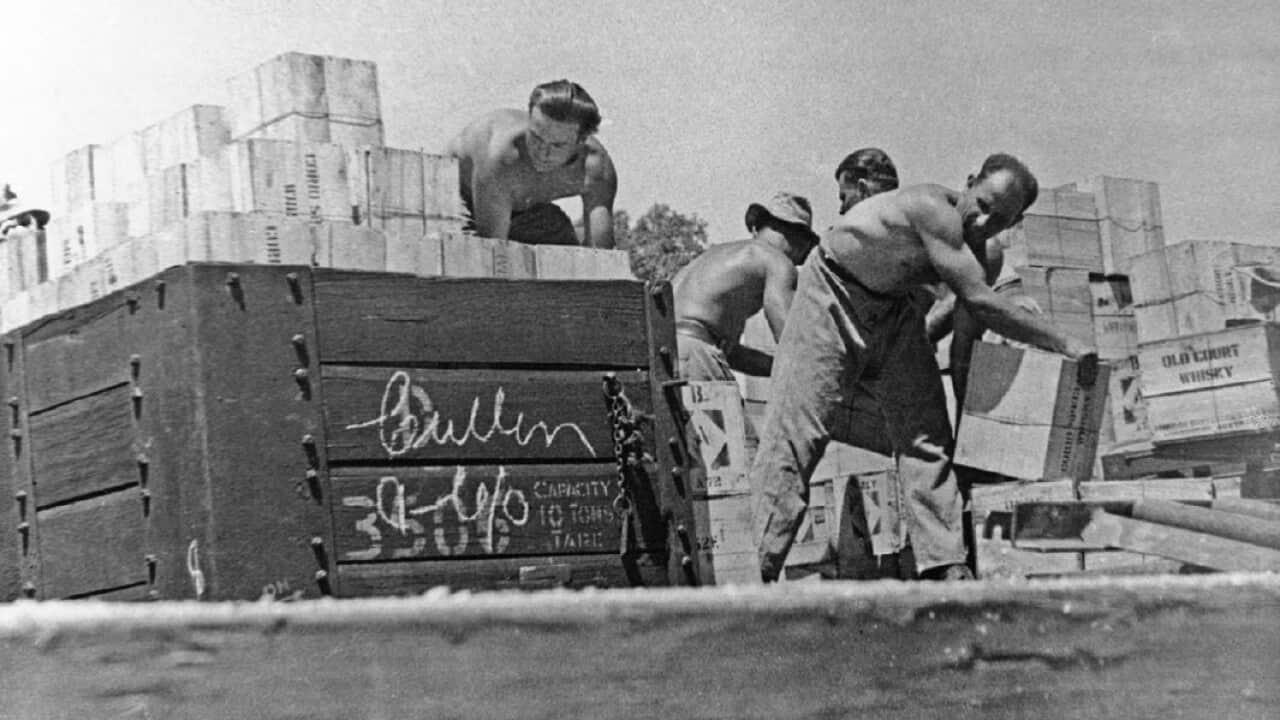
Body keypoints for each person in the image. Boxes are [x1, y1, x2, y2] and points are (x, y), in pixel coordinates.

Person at [751, 154, 1098, 583]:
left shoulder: (983, 256)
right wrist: (1065, 341)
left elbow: (964, 349)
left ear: (1014, 224)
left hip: (895, 311)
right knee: (797, 434)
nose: (984, 221)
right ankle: (754, 569)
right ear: (969, 183)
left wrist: (968, 444)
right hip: (832, 294)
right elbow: (983, 303)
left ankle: (945, 563)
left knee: (926, 435)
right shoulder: (933, 209)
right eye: (984, 204)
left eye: (1000, 219)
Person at [445, 80, 617, 248]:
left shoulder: (596, 167)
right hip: (453, 198)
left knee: (562, 243)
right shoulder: (501, 155)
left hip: (521, 209)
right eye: (536, 137)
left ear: (581, 142)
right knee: (470, 262)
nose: (542, 152)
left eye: (557, 145)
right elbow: (494, 252)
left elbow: (601, 254)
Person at [671, 193, 819, 382]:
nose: (799, 250)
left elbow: (731, 354)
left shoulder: (716, 258)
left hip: (665, 355)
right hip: (696, 356)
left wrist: (777, 366)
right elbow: (790, 343)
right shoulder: (776, 261)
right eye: (799, 239)